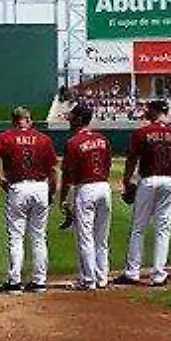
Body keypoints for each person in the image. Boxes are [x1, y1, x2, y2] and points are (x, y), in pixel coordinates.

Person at [0, 106, 58, 293]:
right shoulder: (44, 139)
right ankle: (40, 281)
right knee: (39, 236)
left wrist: (0, 180)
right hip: (41, 187)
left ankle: (14, 281)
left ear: (14, 120)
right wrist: (52, 192)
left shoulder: (6, 137)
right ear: (29, 120)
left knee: (16, 236)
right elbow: (53, 169)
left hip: (18, 188)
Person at [121, 98, 171, 286]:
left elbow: (131, 160)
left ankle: (132, 272)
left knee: (139, 228)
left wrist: (126, 181)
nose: (145, 112)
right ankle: (159, 274)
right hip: (168, 181)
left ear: (154, 111)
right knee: (163, 230)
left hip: (148, 181)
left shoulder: (141, 132)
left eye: (148, 110)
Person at [57, 103, 113, 291]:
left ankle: (88, 280)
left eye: (72, 116)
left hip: (86, 189)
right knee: (101, 237)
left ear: (79, 119)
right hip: (104, 187)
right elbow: (107, 165)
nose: (70, 119)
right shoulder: (103, 139)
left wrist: (63, 198)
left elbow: (67, 175)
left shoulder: (73, 142)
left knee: (85, 236)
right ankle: (102, 277)